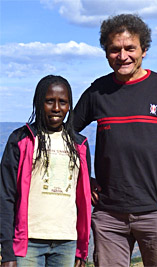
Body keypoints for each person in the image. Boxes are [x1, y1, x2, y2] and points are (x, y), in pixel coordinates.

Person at [73, 14, 157, 267]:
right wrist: (81, 178)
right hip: (109, 216)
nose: (123, 56)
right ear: (106, 53)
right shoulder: (97, 92)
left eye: (130, 48)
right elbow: (64, 135)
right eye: (114, 50)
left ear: (144, 50)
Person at [0, 75, 91, 267]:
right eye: (49, 101)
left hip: (67, 242)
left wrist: (81, 249)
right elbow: (6, 196)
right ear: (38, 103)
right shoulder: (21, 139)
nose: (56, 108)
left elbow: (82, 197)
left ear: (69, 106)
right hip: (28, 243)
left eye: (63, 102)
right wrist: (7, 251)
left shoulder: (79, 144)